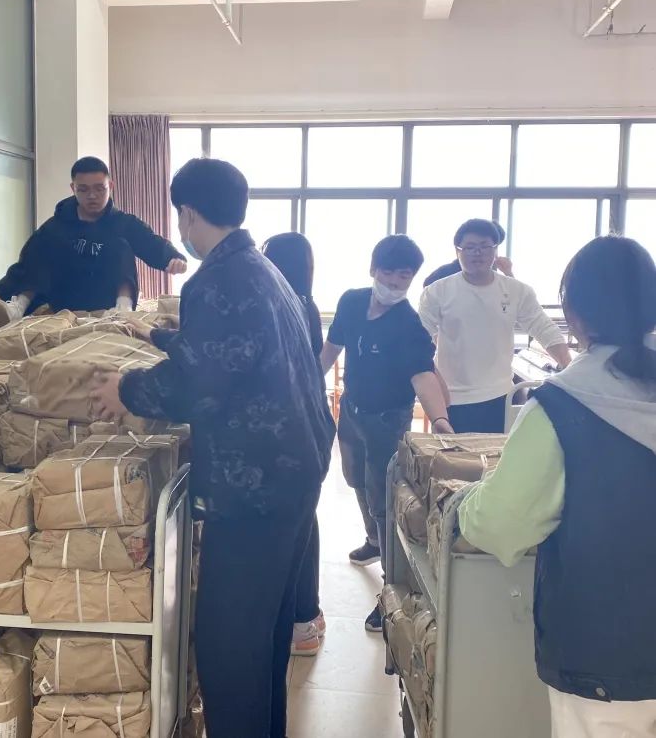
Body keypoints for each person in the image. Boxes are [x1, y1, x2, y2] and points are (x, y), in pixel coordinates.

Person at [90, 158, 335, 738]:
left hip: (255, 486)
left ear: (188, 214)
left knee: (230, 647)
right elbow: (233, 350)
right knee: (264, 635)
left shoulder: (218, 279)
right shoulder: (259, 269)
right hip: (292, 473)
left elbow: (198, 385)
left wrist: (125, 388)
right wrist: (158, 335)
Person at [458, 236, 656, 738]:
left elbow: (501, 524)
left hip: (608, 658)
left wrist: (466, 502)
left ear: (574, 314)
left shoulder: (563, 405)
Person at [320, 235, 453, 632]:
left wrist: (440, 419)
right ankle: (374, 542)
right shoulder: (351, 302)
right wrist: (306, 382)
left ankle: (391, 589)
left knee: (384, 499)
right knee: (355, 480)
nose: (395, 283)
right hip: (352, 410)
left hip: (387, 419)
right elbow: (331, 349)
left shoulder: (409, 324)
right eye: (389, 273)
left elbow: (423, 376)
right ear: (373, 270)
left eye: (404, 277)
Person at [419, 218, 571, 434]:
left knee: (497, 454)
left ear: (495, 250)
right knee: (452, 455)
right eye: (470, 247)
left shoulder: (517, 290)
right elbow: (419, 341)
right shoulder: (437, 291)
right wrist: (434, 386)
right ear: (458, 251)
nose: (477, 253)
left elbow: (543, 328)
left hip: (501, 395)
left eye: (484, 246)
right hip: (452, 397)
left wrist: (568, 366)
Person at [0, 156, 187, 316]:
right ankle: (18, 306)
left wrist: (173, 257)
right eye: (83, 189)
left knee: (121, 245)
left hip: (105, 299)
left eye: (99, 188)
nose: (92, 196)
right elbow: (26, 261)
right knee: (45, 245)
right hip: (65, 297)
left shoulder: (123, 222)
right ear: (73, 188)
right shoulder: (58, 224)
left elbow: (150, 242)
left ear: (110, 185)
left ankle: (123, 310)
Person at [261, 232, 326, 657]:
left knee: (294, 529)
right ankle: (308, 616)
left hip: (288, 431)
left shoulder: (280, 306)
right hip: (308, 427)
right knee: (305, 522)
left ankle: (301, 623)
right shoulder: (305, 303)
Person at [423, 220, 514, 287]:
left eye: (486, 246)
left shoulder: (493, 273)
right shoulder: (446, 273)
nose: (479, 252)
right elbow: (428, 286)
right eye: (471, 247)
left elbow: (514, 296)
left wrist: (508, 272)